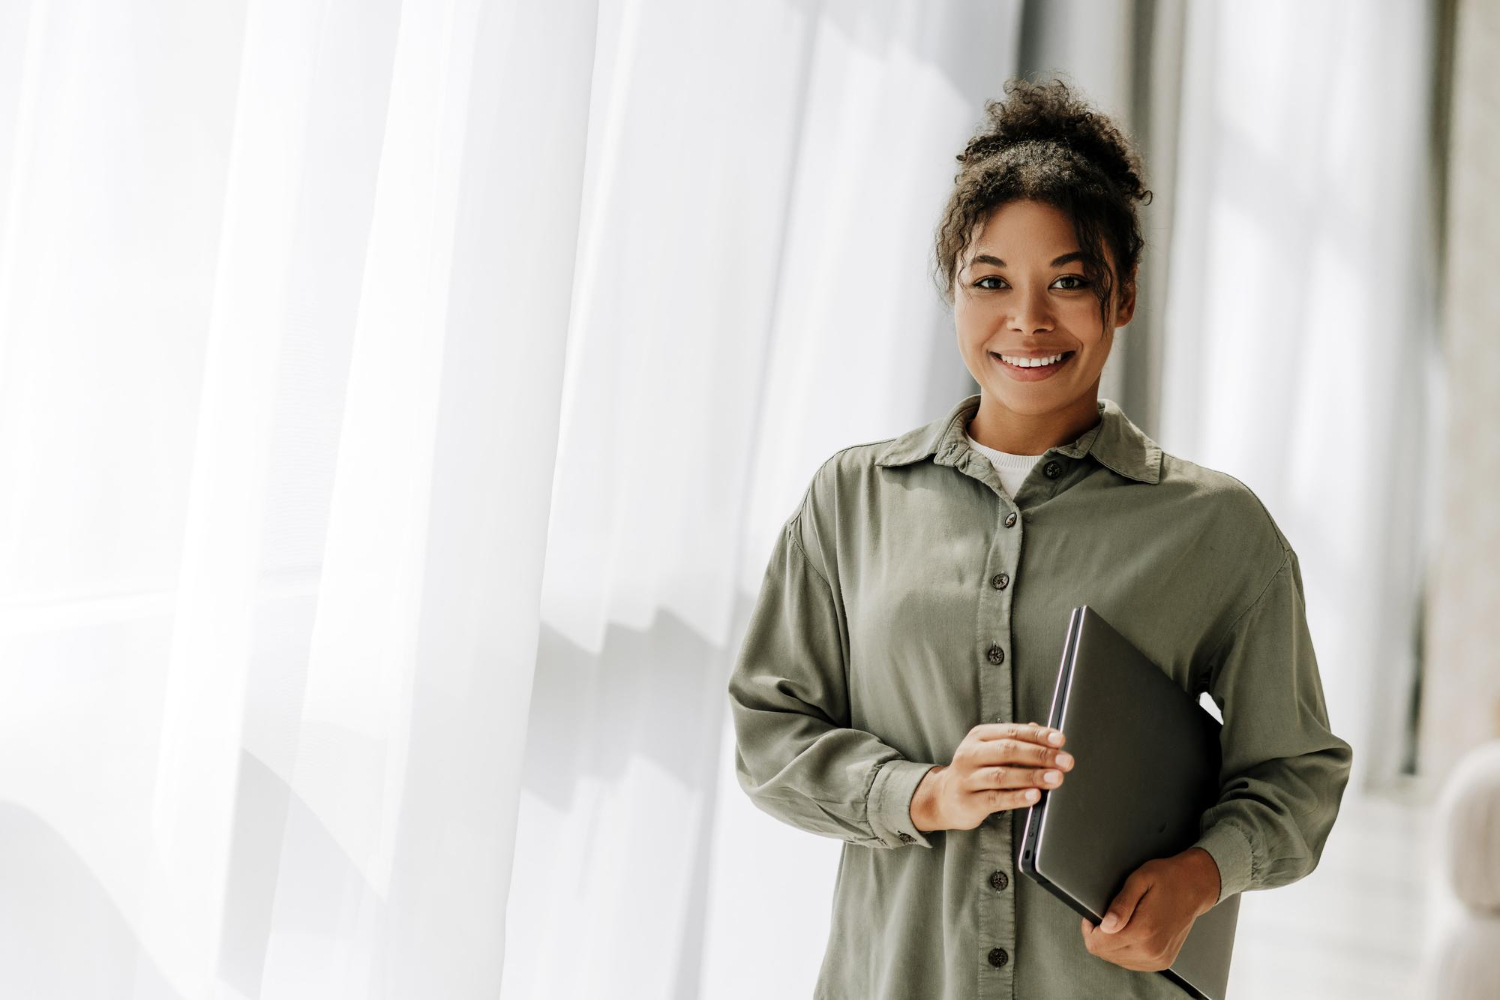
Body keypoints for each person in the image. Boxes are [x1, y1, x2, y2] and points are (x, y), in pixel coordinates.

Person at [725, 76, 1353, 1000]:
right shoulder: (851, 499)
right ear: (952, 290)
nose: (1027, 320)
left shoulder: (1219, 530)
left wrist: (1198, 878)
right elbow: (769, 734)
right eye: (991, 282)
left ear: (1123, 295)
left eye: (1068, 282)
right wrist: (925, 793)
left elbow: (1297, 777)